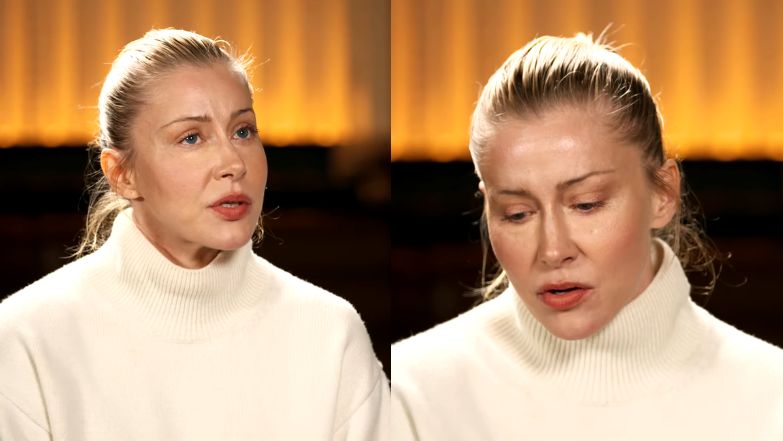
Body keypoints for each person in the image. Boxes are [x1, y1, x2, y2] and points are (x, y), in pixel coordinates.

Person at [0, 29, 388, 440]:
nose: (233, 163)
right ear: (122, 174)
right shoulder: (29, 337)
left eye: (243, 131)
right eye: (191, 137)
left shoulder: (329, 333)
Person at [391, 33, 783, 440]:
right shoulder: (410, 395)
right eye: (517, 213)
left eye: (586, 204)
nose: (553, 250)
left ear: (663, 194)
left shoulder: (769, 400)